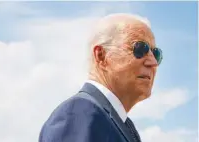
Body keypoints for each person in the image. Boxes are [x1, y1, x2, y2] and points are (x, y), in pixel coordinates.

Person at [39, 13, 163, 142]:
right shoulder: (78, 114)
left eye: (156, 53)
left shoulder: (121, 124)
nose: (153, 62)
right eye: (140, 48)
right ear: (101, 56)